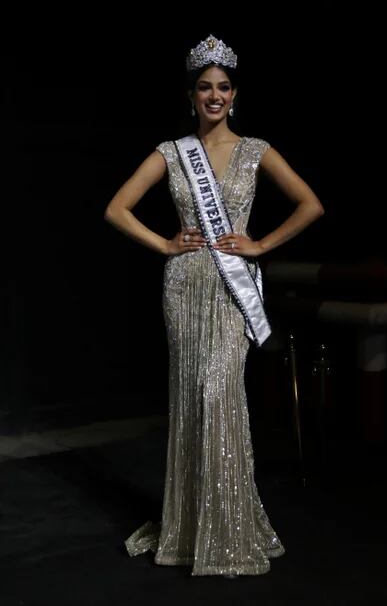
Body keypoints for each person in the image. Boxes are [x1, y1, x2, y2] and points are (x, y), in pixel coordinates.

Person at [104, 34, 325, 578]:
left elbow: (310, 204)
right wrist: (162, 244)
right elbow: (117, 208)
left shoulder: (257, 150)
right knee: (191, 399)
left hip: (231, 290)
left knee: (219, 392)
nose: (214, 95)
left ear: (235, 94)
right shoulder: (172, 153)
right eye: (204, 87)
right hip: (184, 287)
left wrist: (260, 244)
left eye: (223, 86)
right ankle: (187, 530)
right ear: (191, 96)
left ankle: (229, 527)